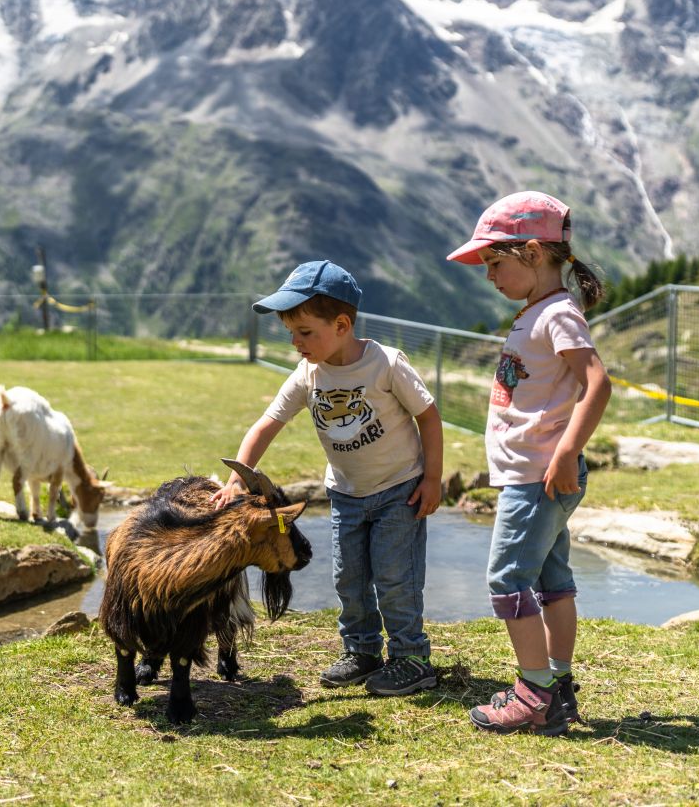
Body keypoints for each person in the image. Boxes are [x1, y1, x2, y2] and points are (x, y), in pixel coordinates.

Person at [212, 260, 444, 696]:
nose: (296, 342)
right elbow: (266, 424)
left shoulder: (385, 364)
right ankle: (361, 651)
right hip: (346, 495)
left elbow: (429, 417)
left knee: (396, 578)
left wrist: (432, 479)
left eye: (305, 332)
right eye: (291, 333)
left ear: (341, 324)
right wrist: (238, 480)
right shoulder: (308, 373)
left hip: (401, 491)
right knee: (349, 578)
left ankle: (412, 658)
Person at [447, 191, 611, 736]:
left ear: (534, 253)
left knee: (507, 579)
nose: (489, 275)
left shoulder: (559, 314)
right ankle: (557, 684)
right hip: (535, 472)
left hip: (540, 475)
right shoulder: (540, 311)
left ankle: (534, 692)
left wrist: (565, 452)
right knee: (550, 576)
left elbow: (597, 383)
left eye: (496, 262)